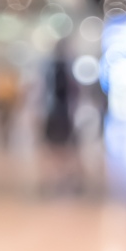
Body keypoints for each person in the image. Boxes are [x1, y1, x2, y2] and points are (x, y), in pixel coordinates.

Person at [42, 51, 81, 192]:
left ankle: (63, 174)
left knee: (58, 148)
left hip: (58, 117)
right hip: (62, 117)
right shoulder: (66, 82)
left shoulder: (52, 81)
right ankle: (64, 174)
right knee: (62, 148)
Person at [0, 63, 21, 148]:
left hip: (7, 103)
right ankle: (0, 135)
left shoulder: (9, 79)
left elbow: (15, 92)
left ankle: (5, 136)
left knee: (6, 122)